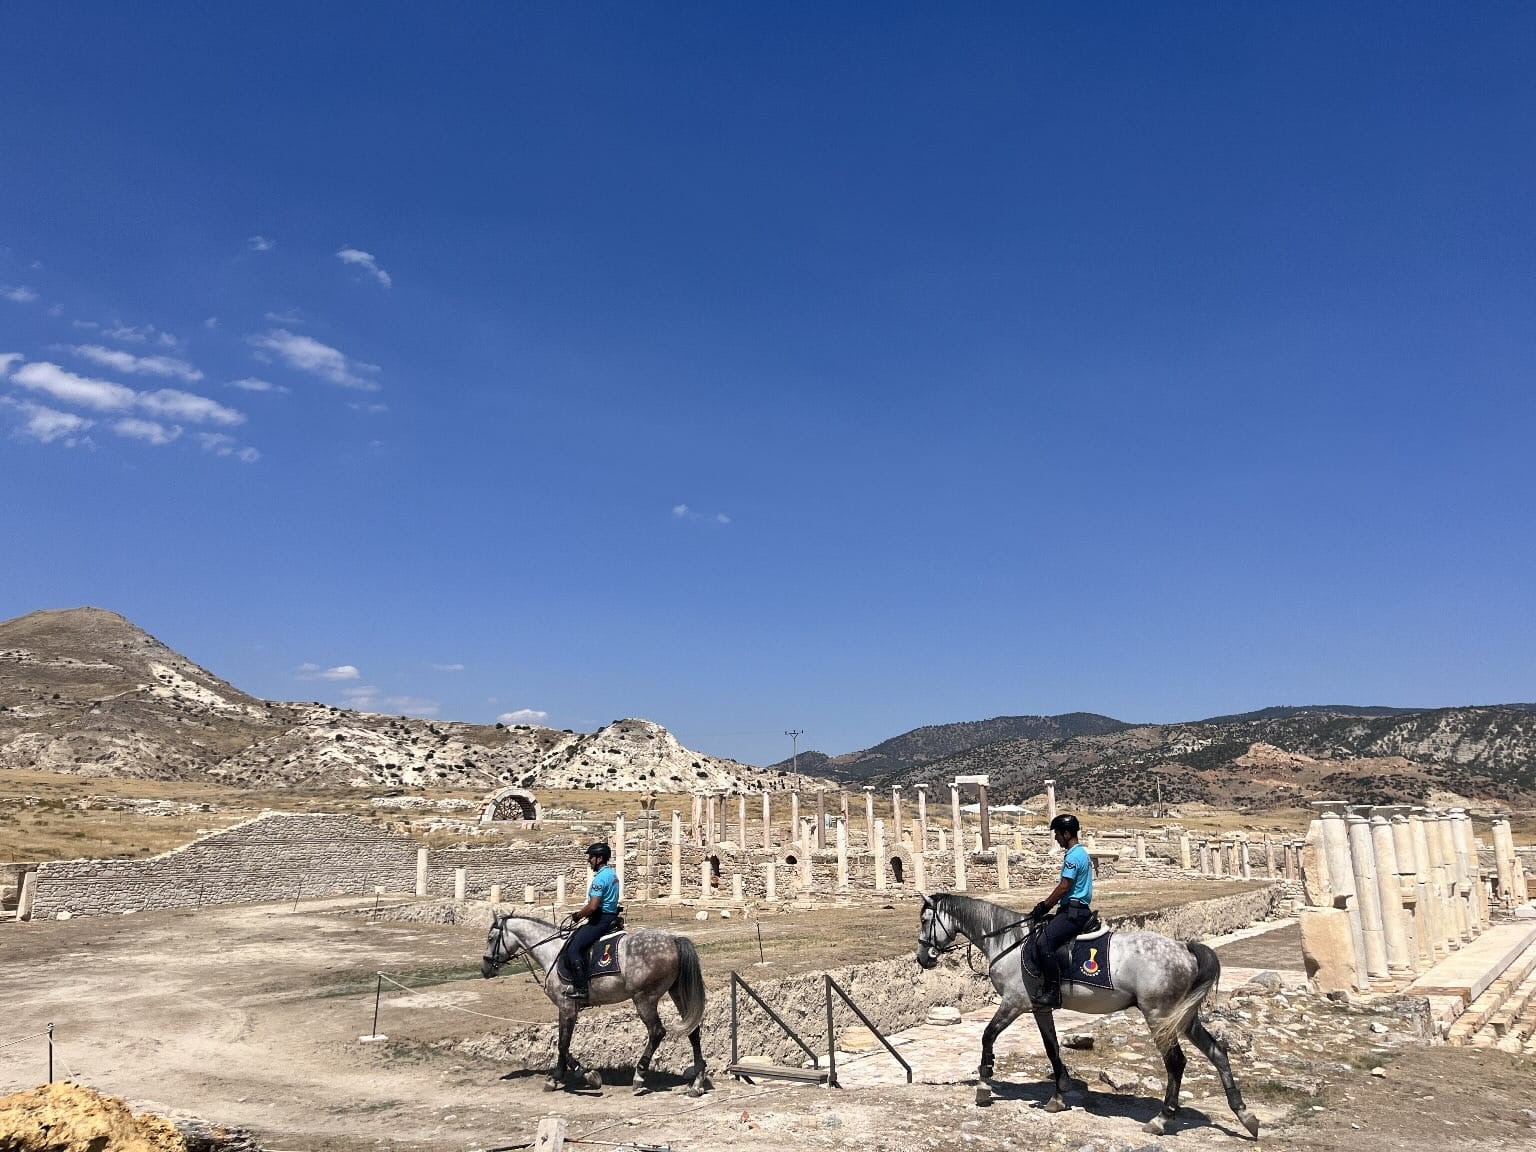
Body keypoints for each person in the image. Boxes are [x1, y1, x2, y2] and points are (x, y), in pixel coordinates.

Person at [1028, 813, 1094, 1008]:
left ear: (1066, 834)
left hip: (1074, 911)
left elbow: (1064, 886)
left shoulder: (1073, 856)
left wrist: (1044, 906)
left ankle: (1053, 992)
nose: (1056, 839)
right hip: (1076, 908)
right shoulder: (1082, 853)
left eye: (1057, 834)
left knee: (1043, 943)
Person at [562, 842, 620, 1001]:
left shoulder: (599, 879)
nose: (589, 860)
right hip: (611, 916)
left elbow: (593, 906)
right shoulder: (612, 874)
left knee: (573, 949)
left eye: (591, 857)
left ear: (599, 858)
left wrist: (578, 915)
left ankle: (582, 990)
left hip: (600, 919)